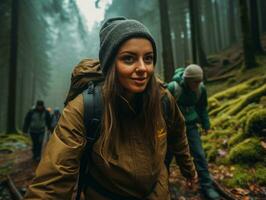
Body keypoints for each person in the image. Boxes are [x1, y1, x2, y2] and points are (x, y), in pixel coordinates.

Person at [24, 17, 197, 200]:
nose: (142, 68)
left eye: (148, 58)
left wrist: (189, 169)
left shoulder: (163, 100)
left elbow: (178, 134)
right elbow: (51, 183)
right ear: (110, 64)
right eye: (128, 59)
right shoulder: (85, 108)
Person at [166, 64, 220, 200]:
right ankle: (163, 185)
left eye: (199, 81)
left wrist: (206, 124)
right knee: (165, 157)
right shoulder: (173, 88)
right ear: (187, 79)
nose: (197, 84)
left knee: (200, 155)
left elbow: (202, 108)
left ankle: (207, 186)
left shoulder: (201, 89)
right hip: (171, 129)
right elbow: (162, 107)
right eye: (195, 81)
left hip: (191, 127)